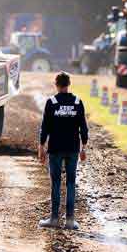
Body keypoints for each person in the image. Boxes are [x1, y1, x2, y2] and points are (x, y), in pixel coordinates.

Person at [37, 71, 88, 230]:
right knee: (71, 183)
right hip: (73, 148)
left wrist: (41, 146)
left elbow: (45, 126)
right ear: (69, 84)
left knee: (56, 183)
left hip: (56, 148)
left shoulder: (51, 102)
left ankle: (53, 219)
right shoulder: (78, 102)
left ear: (56, 84)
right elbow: (84, 128)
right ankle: (70, 220)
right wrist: (83, 147)